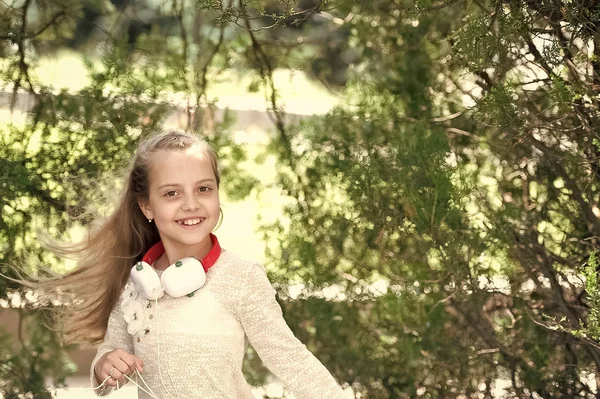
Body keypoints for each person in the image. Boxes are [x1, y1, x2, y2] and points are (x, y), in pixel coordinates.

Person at [41, 130, 346, 398]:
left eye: (203, 189)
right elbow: (107, 363)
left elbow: (290, 359)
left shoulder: (239, 276)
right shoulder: (138, 282)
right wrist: (105, 365)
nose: (191, 204)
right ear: (147, 206)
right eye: (172, 193)